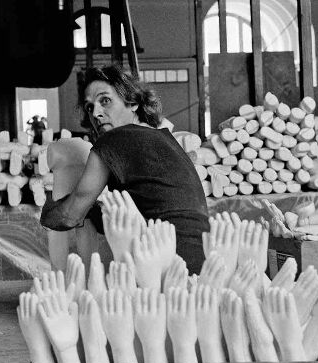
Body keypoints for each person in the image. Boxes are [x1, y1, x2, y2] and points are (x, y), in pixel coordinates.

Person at [41, 64, 209, 274]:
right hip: (205, 263)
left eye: (105, 101)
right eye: (90, 107)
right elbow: (149, 208)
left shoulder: (114, 139)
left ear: (133, 103)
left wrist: (48, 206)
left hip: (166, 267)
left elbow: (69, 216)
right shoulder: (165, 138)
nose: (97, 114)